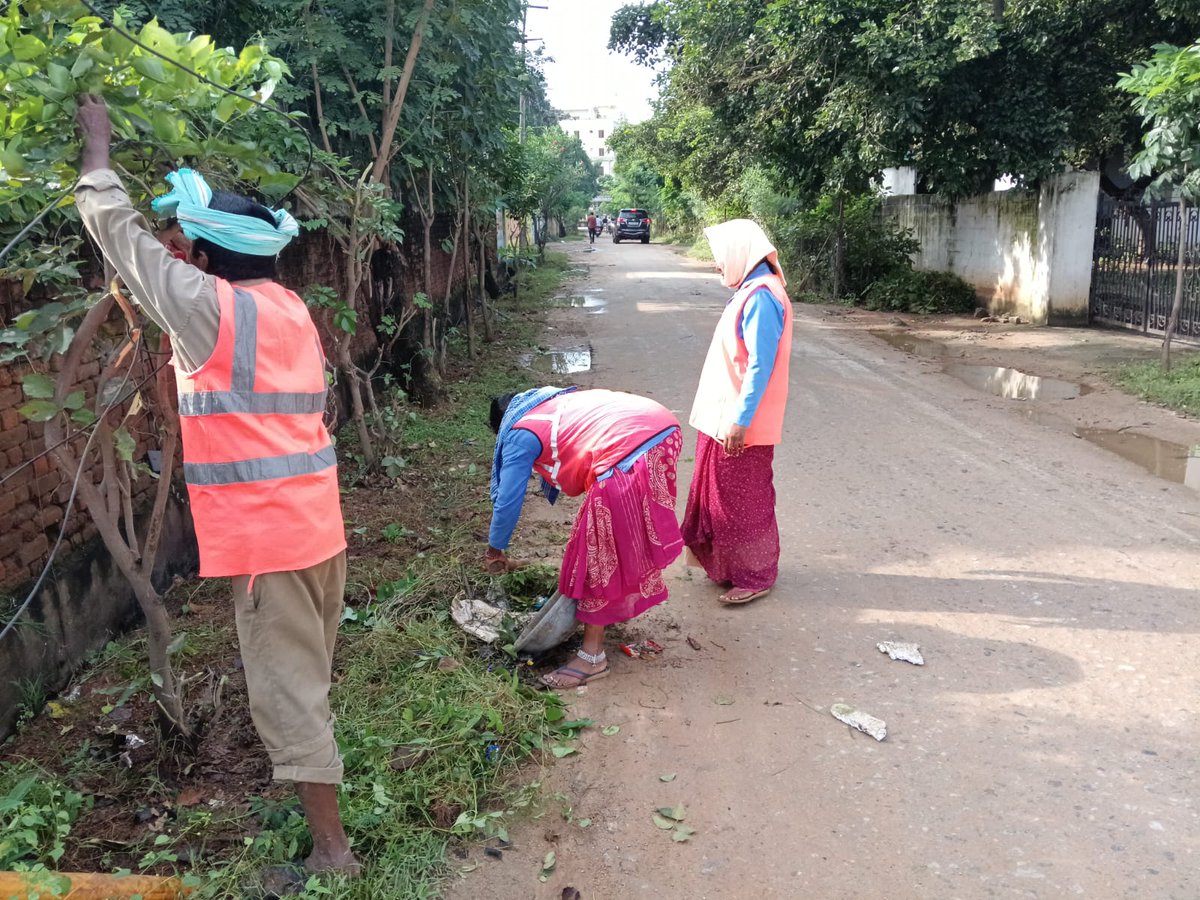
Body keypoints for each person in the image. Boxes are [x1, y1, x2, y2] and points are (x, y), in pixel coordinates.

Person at [74, 95, 359, 878]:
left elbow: (121, 241)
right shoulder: (289, 307)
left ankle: (333, 854)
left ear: (203, 258)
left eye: (183, 245)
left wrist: (97, 154)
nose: (173, 253)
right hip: (316, 524)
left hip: (271, 539)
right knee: (308, 672)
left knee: (287, 689)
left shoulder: (209, 310)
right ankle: (319, 798)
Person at [486, 387, 683, 688]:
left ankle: (592, 658)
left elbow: (508, 501)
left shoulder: (518, 432)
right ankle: (611, 613)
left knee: (596, 554)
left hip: (631, 449)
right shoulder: (550, 402)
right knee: (617, 537)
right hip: (662, 431)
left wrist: (495, 550)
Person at [682, 219, 793, 605]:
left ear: (740, 253)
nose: (715, 264)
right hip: (722, 418)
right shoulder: (751, 290)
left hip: (740, 424)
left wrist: (740, 420)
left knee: (743, 502)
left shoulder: (762, 296)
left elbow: (760, 366)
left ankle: (756, 574)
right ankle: (730, 568)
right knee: (722, 498)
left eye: (718, 257)